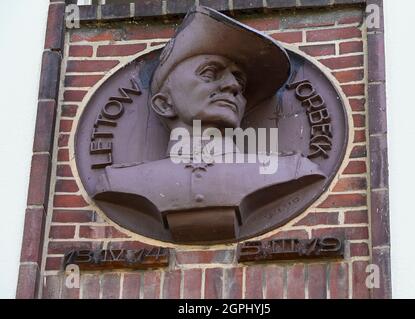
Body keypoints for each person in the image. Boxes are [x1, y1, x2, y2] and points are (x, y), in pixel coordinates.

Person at [94, 6, 325, 243]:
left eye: (240, 81)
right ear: (165, 104)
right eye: (209, 73)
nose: (233, 86)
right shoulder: (119, 183)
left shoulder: (292, 172)